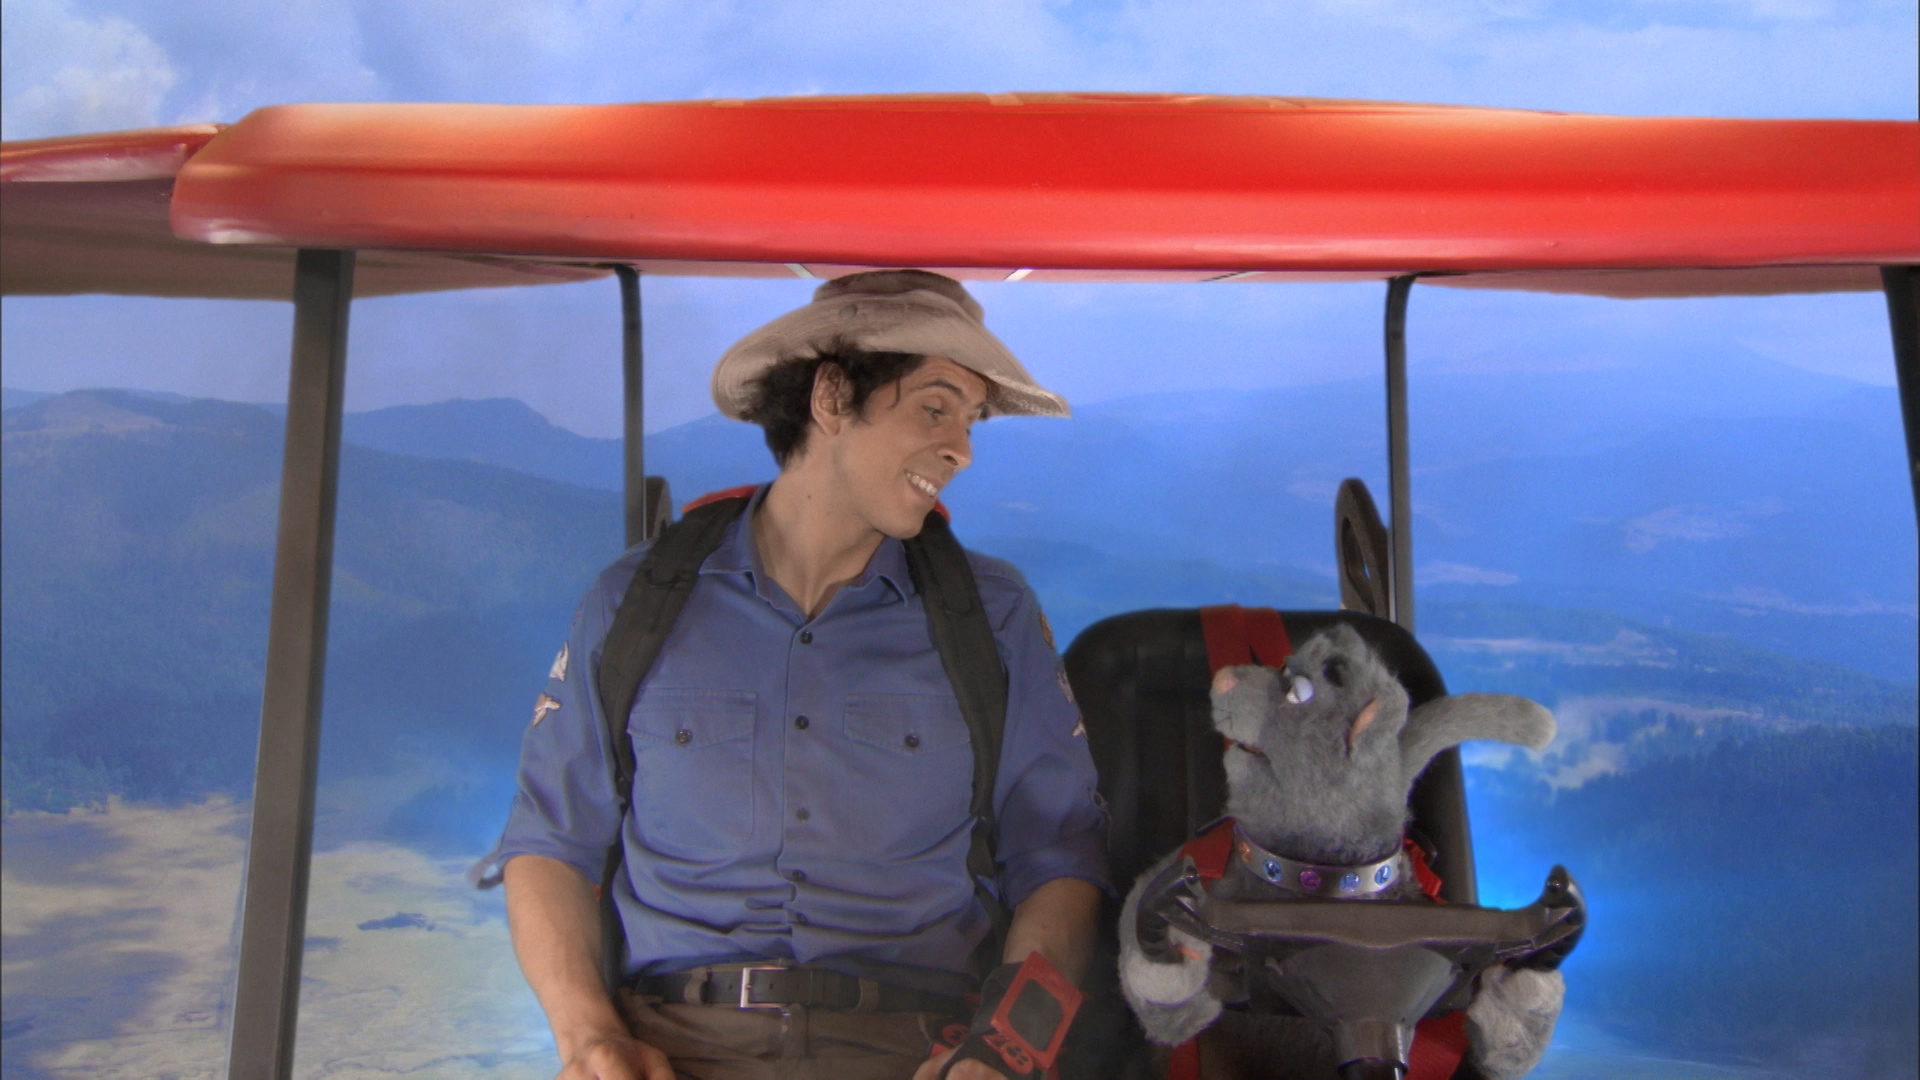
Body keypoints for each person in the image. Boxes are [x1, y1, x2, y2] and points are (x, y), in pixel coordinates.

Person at [475, 270, 1111, 1080]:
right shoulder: (634, 602)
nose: (962, 449)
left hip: (917, 1052)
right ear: (832, 398)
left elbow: (1060, 858)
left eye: (971, 419)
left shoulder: (992, 615)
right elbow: (550, 842)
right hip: (669, 1048)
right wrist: (589, 1039)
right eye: (935, 408)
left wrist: (1004, 1050)